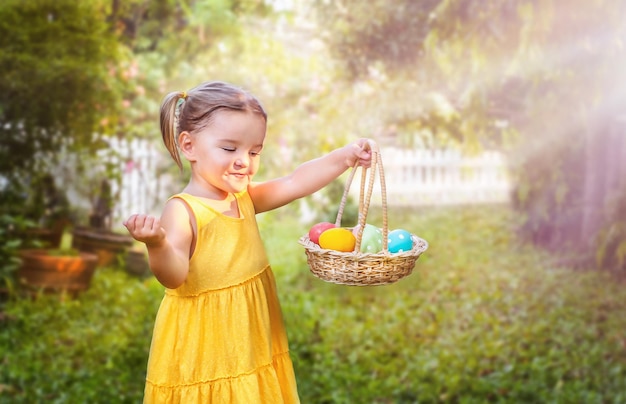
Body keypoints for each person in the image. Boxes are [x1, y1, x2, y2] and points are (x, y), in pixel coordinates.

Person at [123, 80, 372, 403]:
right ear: (188, 146)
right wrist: (157, 244)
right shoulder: (183, 210)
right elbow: (173, 276)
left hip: (250, 336)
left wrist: (344, 157)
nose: (245, 161)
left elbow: (295, 182)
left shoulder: (243, 198)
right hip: (206, 347)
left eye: (254, 151)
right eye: (230, 149)